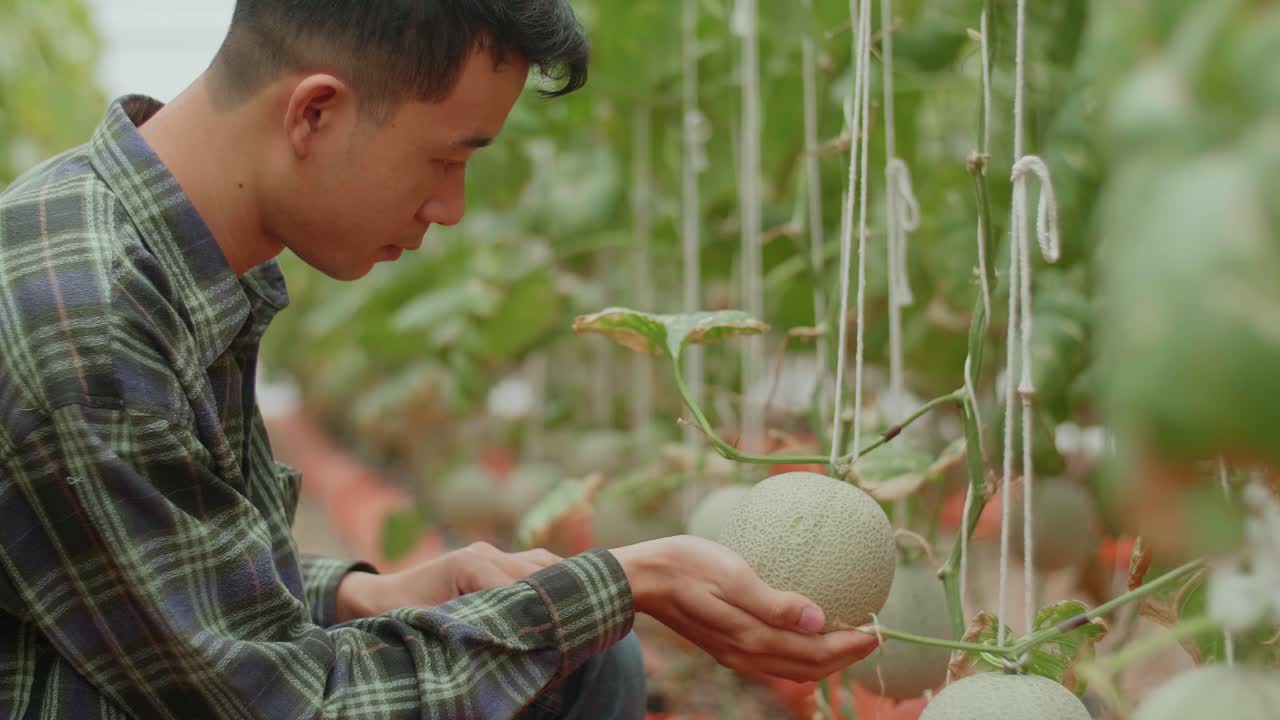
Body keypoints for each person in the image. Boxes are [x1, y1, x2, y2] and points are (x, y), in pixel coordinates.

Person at [0, 2, 879, 718]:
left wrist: (369, 594)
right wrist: (628, 577)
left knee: (581, 669)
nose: (452, 207)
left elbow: (182, 590)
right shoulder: (92, 326)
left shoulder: (151, 250)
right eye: (447, 157)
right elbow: (279, 703)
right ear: (315, 111)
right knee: (576, 658)